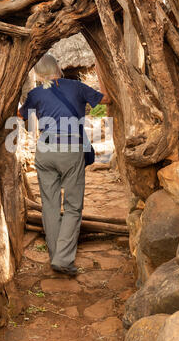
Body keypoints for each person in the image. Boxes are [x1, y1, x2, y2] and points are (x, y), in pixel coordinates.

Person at [19, 54, 111, 276]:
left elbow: (20, 115)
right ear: (58, 68)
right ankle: (62, 259)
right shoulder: (76, 86)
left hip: (45, 149)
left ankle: (55, 255)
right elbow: (106, 99)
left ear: (38, 74)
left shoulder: (35, 93)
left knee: (50, 205)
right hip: (70, 149)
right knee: (72, 206)